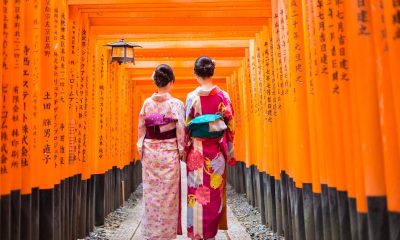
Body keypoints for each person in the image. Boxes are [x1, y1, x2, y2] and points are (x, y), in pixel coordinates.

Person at [185, 56, 236, 240]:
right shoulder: (223, 96)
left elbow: (187, 126)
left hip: (197, 153)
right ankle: (210, 235)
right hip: (215, 154)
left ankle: (197, 233)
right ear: (212, 72)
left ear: (196, 74)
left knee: (197, 192)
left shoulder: (192, 97)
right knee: (212, 194)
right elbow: (230, 127)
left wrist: (185, 150)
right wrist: (230, 150)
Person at [137, 64, 185, 240]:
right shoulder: (176, 104)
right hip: (169, 153)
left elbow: (141, 129)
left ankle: (151, 234)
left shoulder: (147, 104)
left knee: (151, 194)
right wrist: (181, 151)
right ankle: (166, 234)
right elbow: (181, 131)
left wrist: (142, 149)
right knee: (168, 196)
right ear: (171, 82)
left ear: (155, 82)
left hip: (150, 152)